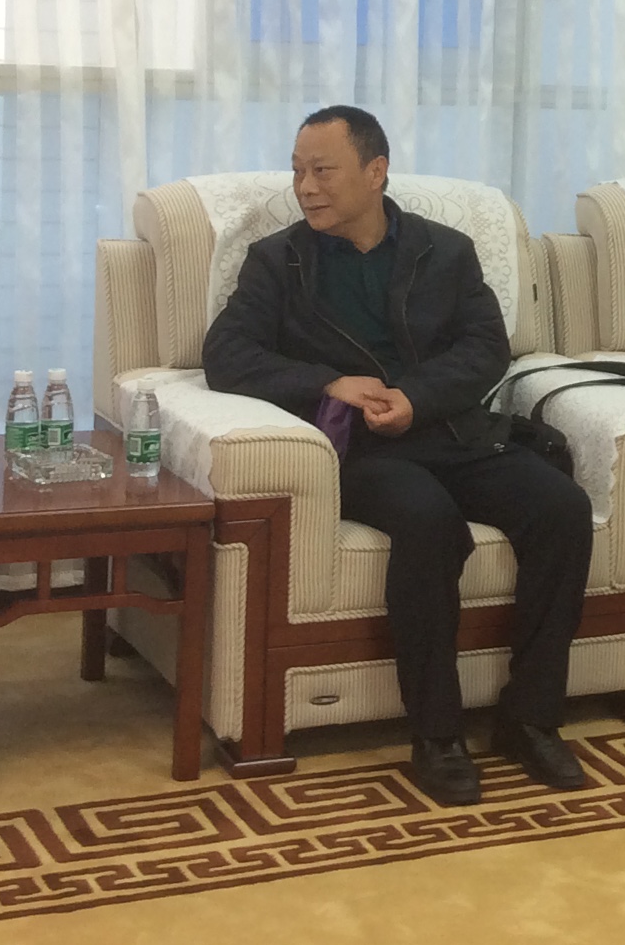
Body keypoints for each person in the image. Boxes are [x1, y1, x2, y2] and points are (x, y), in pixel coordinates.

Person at [202, 106, 594, 807]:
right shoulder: (279, 260)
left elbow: (486, 349)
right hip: (360, 450)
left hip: (451, 431)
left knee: (561, 508)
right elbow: (226, 355)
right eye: (298, 171)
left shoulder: (445, 251)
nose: (306, 187)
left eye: (323, 170)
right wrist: (327, 383)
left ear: (375, 171)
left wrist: (418, 396)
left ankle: (531, 718)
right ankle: (437, 733)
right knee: (427, 520)